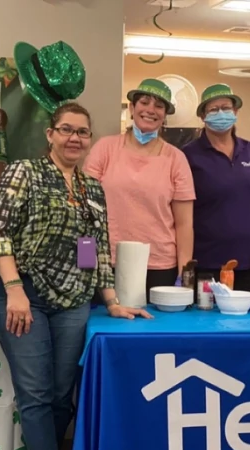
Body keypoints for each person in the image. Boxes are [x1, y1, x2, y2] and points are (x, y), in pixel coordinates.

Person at [0, 101, 150, 450]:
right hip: (23, 296)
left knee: (62, 396)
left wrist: (111, 300)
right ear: (50, 134)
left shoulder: (92, 188)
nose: (75, 138)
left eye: (83, 132)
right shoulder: (24, 173)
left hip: (73, 299)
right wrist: (15, 288)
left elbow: (92, 248)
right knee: (36, 394)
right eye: (67, 130)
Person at [85, 79, 195, 292]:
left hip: (159, 266)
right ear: (132, 108)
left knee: (156, 325)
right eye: (144, 102)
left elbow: (184, 224)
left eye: (159, 106)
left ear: (165, 116)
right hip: (107, 263)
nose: (150, 110)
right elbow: (84, 211)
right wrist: (86, 263)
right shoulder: (105, 149)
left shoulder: (176, 159)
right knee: (107, 324)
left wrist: (185, 275)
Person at [182, 83, 250, 297]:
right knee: (207, 327)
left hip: (249, 264)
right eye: (213, 109)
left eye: (226, 108)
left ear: (236, 111)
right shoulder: (189, 155)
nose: (221, 114)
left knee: (246, 328)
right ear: (202, 115)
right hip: (206, 264)